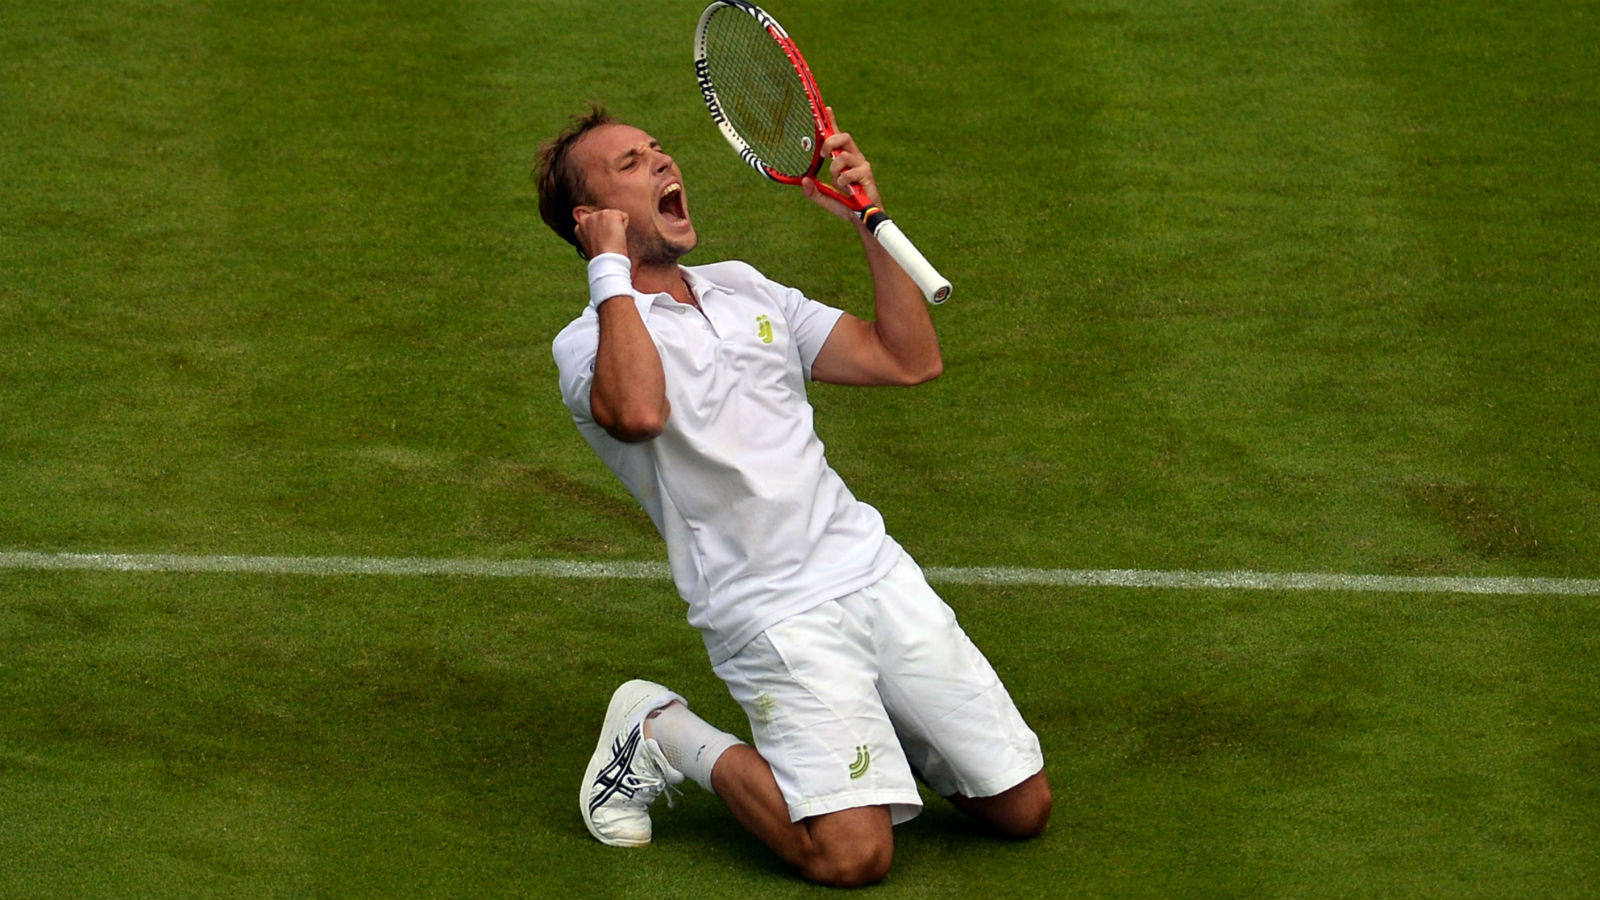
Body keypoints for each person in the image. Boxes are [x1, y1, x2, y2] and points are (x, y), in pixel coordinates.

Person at [537, 106, 1050, 888]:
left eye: (659, 151)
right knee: (853, 856)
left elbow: (905, 359)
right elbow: (638, 415)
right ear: (590, 217)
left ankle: (872, 742)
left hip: (873, 573)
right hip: (772, 614)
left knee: (1021, 810)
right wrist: (607, 270)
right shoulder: (590, 341)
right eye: (632, 165)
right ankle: (660, 730)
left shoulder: (745, 288)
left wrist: (867, 221)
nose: (665, 164)